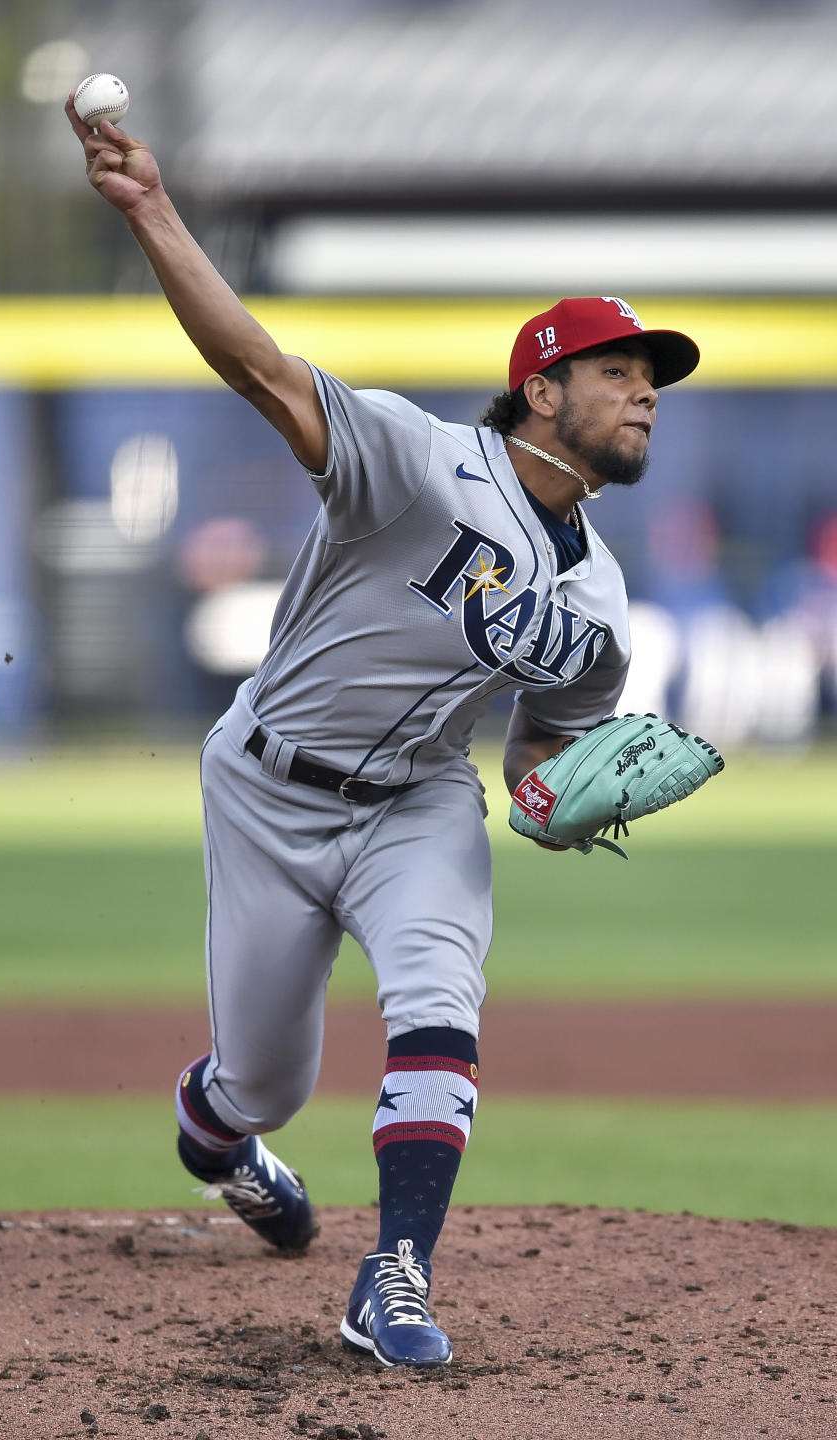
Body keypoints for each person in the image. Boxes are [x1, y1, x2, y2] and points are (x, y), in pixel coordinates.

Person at [66, 98, 700, 1369]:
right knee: (263, 1083)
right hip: (268, 790)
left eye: (655, 380)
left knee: (438, 1000)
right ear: (542, 386)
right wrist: (151, 210)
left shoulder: (604, 601)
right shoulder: (415, 461)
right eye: (620, 371)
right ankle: (221, 1138)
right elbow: (254, 363)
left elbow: (537, 752)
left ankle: (392, 1275)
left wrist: (551, 797)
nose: (645, 394)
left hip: (418, 803)